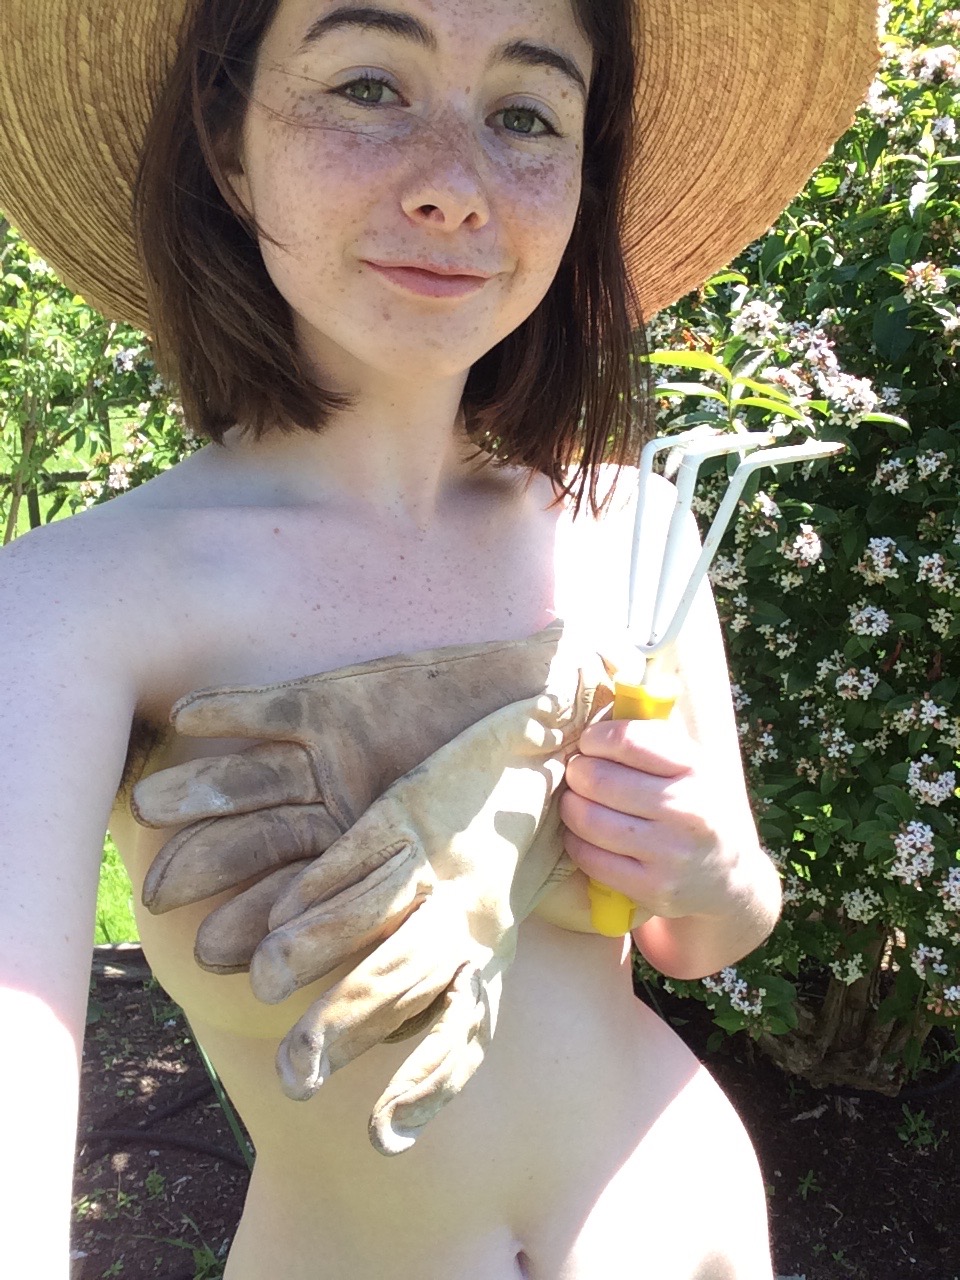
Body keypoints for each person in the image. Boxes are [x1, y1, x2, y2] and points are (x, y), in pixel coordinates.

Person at [0, 1, 879, 1276]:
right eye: (369, 86)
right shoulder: (68, 604)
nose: (455, 186)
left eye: (526, 113)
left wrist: (712, 867)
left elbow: (706, 936)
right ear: (228, 145)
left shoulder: (634, 529)